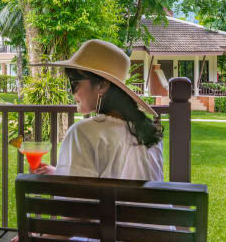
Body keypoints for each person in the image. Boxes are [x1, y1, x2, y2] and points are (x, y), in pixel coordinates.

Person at [35, 39, 163, 181]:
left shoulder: (82, 133)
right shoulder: (149, 132)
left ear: (102, 86)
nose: (71, 92)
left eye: (73, 83)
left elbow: (71, 198)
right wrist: (60, 173)